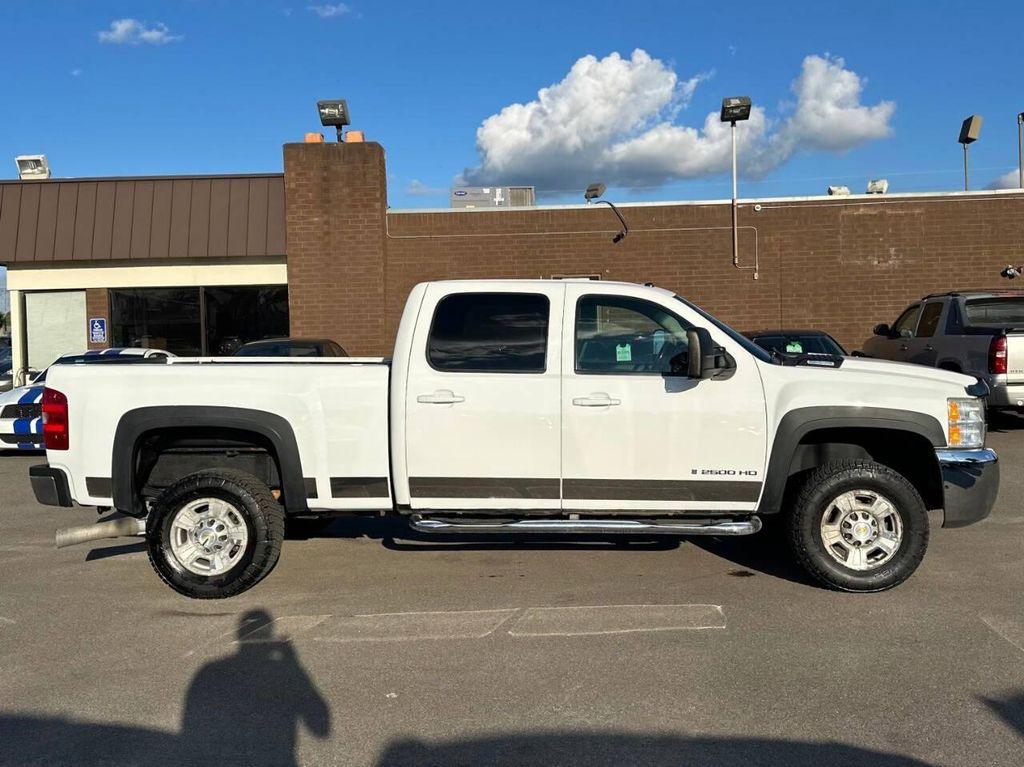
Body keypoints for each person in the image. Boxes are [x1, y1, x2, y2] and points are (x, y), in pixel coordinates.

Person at [180, 609, 330, 766]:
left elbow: (193, 731)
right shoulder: (283, 673)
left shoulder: (211, 671)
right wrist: (294, 666)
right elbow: (320, 728)